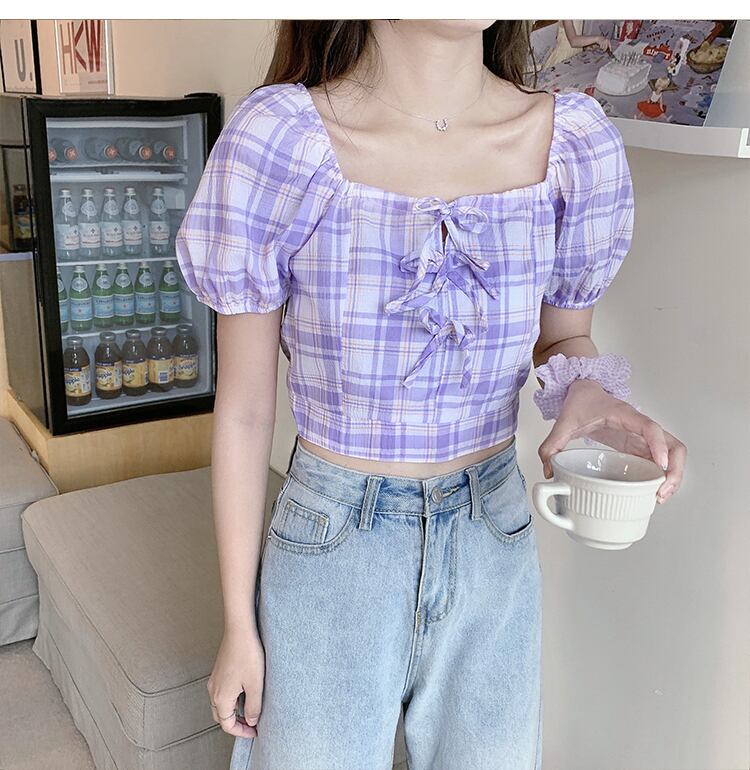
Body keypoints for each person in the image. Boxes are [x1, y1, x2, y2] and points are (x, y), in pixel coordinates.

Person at [175, 20, 686, 770]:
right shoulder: (279, 141)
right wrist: (237, 623)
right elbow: (247, 411)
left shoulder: (572, 143)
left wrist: (591, 396)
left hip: (493, 533)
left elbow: (564, 340)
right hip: (334, 546)